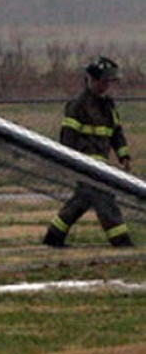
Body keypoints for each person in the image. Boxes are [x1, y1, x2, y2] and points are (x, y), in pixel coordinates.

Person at [43, 55, 134, 248]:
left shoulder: (108, 106)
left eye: (109, 82)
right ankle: (121, 241)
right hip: (84, 163)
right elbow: (67, 137)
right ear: (92, 80)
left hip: (100, 163)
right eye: (103, 81)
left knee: (81, 201)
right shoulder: (78, 105)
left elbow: (116, 132)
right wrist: (71, 161)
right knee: (104, 198)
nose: (106, 85)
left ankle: (53, 237)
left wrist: (123, 155)